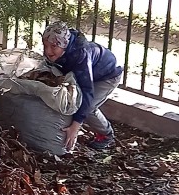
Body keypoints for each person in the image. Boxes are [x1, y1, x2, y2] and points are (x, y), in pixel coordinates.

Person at [40, 20, 123, 152]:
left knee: (89, 107)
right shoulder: (61, 50)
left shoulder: (81, 56)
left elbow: (87, 91)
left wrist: (75, 126)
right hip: (88, 73)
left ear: (64, 45)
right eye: (45, 46)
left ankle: (106, 134)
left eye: (54, 46)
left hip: (107, 76)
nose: (47, 51)